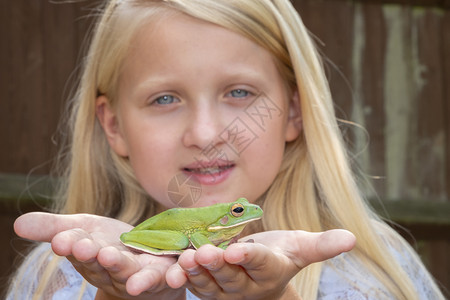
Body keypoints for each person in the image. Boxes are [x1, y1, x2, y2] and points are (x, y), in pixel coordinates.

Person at [7, 0, 445, 299]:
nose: (205, 133)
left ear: (294, 111)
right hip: (161, 239)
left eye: (238, 92)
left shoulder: (373, 265)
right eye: (165, 99)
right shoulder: (58, 271)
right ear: (114, 125)